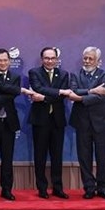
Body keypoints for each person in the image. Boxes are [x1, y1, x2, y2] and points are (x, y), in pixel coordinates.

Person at [0, 48, 32, 201]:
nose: (3, 63)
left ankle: (7, 189)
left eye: (5, 60)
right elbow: (1, 87)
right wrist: (20, 90)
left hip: (8, 122)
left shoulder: (15, 76)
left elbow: (10, 95)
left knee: (7, 158)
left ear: (9, 61)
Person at [69, 46, 105, 200]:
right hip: (81, 122)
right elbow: (73, 92)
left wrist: (81, 98)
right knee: (84, 156)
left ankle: (103, 188)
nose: (87, 61)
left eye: (91, 58)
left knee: (103, 157)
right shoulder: (75, 75)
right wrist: (92, 91)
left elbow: (102, 96)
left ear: (98, 61)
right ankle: (89, 187)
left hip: (102, 122)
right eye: (85, 58)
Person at [28, 47, 70, 199]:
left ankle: (58, 188)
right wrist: (58, 92)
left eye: (53, 58)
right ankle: (42, 188)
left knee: (57, 156)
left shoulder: (64, 74)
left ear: (57, 59)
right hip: (40, 120)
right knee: (40, 155)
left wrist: (44, 97)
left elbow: (62, 96)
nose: (50, 61)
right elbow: (38, 88)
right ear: (42, 59)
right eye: (47, 58)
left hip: (57, 120)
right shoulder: (34, 72)